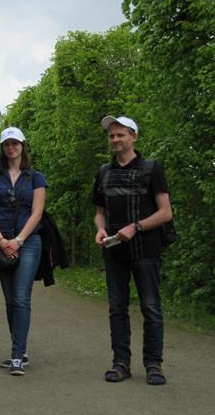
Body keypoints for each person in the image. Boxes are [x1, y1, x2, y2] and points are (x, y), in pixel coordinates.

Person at [92, 116, 172, 385]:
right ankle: (121, 363)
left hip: (146, 250)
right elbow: (99, 212)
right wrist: (100, 229)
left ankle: (154, 365)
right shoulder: (103, 172)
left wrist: (136, 227)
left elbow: (165, 213)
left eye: (120, 135)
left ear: (133, 137)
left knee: (150, 307)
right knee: (117, 308)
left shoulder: (151, 169)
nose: (115, 139)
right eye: (112, 136)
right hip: (114, 251)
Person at [0, 127, 47, 376]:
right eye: (7, 144)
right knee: (10, 300)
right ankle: (19, 349)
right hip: (2, 243)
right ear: (2, 148)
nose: (11, 147)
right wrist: (1, 240)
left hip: (28, 242)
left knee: (21, 298)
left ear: (23, 145)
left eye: (15, 143)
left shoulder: (35, 177)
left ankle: (17, 355)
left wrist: (19, 240)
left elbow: (37, 212)